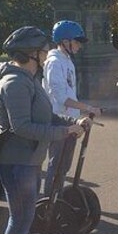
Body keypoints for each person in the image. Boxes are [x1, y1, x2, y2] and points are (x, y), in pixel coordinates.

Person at [0, 27, 89, 234]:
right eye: (43, 50)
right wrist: (64, 132)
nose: (47, 54)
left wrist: (73, 121)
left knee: (26, 217)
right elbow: (22, 127)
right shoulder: (15, 83)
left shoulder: (31, 80)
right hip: (16, 162)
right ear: (31, 54)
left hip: (30, 160)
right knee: (20, 218)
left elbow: (47, 116)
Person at [42, 20, 102, 195]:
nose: (79, 46)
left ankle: (57, 199)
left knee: (64, 166)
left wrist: (82, 111)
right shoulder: (54, 62)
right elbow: (61, 98)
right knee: (57, 164)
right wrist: (88, 107)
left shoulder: (67, 60)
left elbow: (70, 93)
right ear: (64, 41)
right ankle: (48, 203)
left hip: (71, 121)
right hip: (59, 121)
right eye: (76, 42)